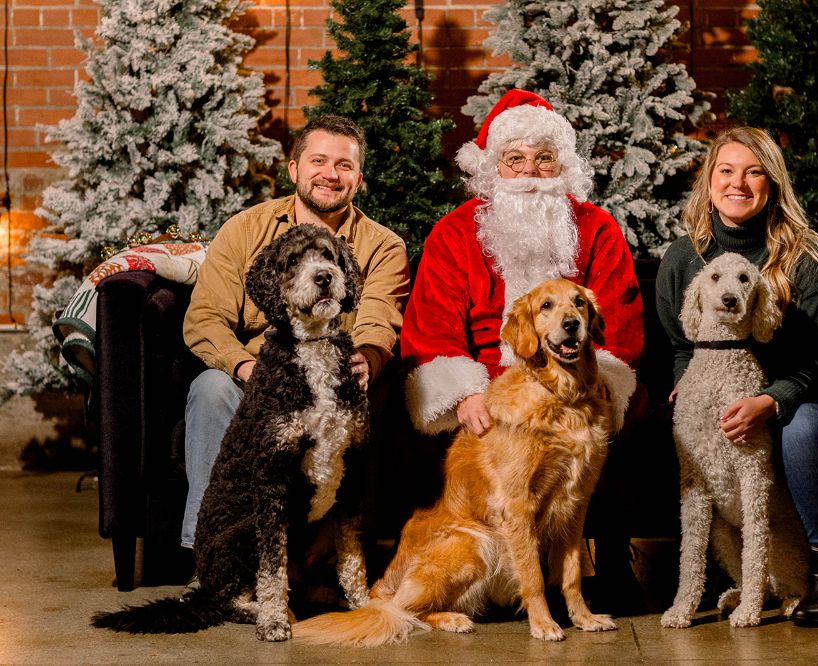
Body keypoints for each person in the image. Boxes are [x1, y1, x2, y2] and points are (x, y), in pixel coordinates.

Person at [399, 89, 644, 607]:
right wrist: (464, 395)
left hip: (579, 383)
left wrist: (601, 390)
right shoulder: (455, 232)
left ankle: (612, 564)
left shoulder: (597, 228)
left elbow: (618, 318)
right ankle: (492, 581)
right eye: (515, 160)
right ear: (495, 169)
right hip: (489, 390)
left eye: (543, 159)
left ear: (562, 165)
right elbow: (432, 322)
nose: (530, 173)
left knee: (610, 427)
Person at [180, 114, 410, 553]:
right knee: (210, 388)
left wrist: (369, 355)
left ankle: (326, 557)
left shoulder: (383, 245)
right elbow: (205, 318)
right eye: (318, 161)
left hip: (332, 379)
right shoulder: (245, 229)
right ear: (294, 169)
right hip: (259, 374)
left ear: (358, 179)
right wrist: (246, 367)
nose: (330, 174)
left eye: (344, 165)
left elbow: (378, 318)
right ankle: (205, 551)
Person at [655, 125, 818, 626]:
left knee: (803, 430)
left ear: (772, 183)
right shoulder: (684, 257)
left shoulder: (805, 255)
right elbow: (681, 344)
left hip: (794, 392)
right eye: (726, 171)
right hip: (715, 385)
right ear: (710, 181)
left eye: (753, 172)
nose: (737, 183)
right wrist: (686, 379)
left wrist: (769, 401)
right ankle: (736, 578)